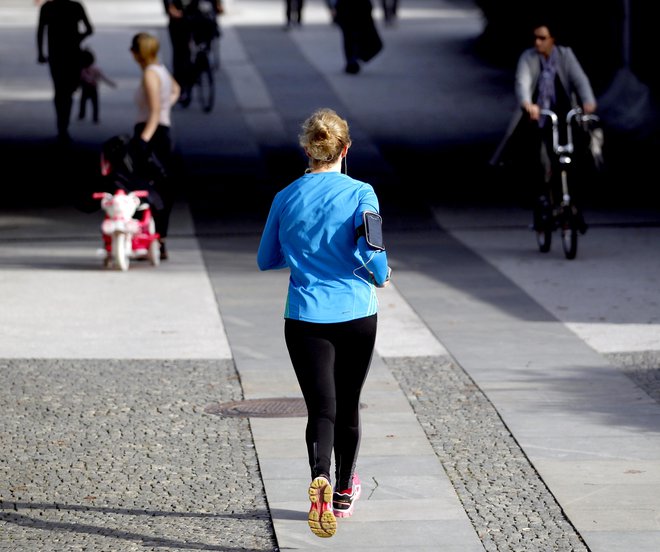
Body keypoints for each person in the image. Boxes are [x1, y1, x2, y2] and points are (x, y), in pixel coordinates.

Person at [257, 108, 391, 538]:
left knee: (321, 408)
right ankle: (346, 491)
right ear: (345, 149)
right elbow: (374, 248)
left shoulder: (286, 196)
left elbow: (266, 259)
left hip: (304, 317)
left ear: (306, 149)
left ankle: (320, 475)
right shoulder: (361, 193)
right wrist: (382, 276)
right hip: (356, 313)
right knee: (349, 404)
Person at [490, 20, 597, 233]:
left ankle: (573, 207)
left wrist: (588, 101)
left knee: (577, 158)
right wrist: (528, 104)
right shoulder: (528, 58)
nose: (537, 42)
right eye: (535, 38)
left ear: (553, 40)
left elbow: (580, 80)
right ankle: (542, 201)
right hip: (540, 118)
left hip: (565, 117)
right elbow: (522, 81)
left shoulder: (565, 56)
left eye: (542, 38)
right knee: (540, 160)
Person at [129, 32, 181, 260]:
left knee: (144, 187)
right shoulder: (161, 69)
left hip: (152, 134)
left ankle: (149, 238)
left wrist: (142, 140)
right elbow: (176, 90)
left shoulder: (150, 74)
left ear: (137, 52)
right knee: (163, 186)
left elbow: (154, 111)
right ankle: (159, 240)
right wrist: (166, 106)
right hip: (163, 133)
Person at [37, 0, 93, 142]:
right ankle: (63, 125)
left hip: (56, 55)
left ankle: (62, 126)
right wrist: (77, 38)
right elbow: (89, 29)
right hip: (72, 54)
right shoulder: (75, 7)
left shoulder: (48, 8)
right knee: (67, 91)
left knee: (60, 90)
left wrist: (40, 53)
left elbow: (40, 31)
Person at [162, 0, 223, 107]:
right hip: (180, 15)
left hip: (202, 15)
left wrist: (218, 5)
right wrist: (171, 7)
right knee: (181, 54)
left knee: (204, 43)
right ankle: (181, 88)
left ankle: (199, 65)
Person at [334, 0, 383, 74]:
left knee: (349, 34)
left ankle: (352, 59)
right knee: (351, 34)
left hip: (349, 8)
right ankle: (353, 59)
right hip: (355, 8)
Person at [78, 48, 116, 124]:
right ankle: (87, 116)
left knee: (89, 103)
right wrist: (111, 83)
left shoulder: (91, 69)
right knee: (89, 103)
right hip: (90, 88)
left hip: (90, 88)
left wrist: (111, 83)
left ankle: (88, 116)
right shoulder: (89, 69)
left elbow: (102, 77)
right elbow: (103, 77)